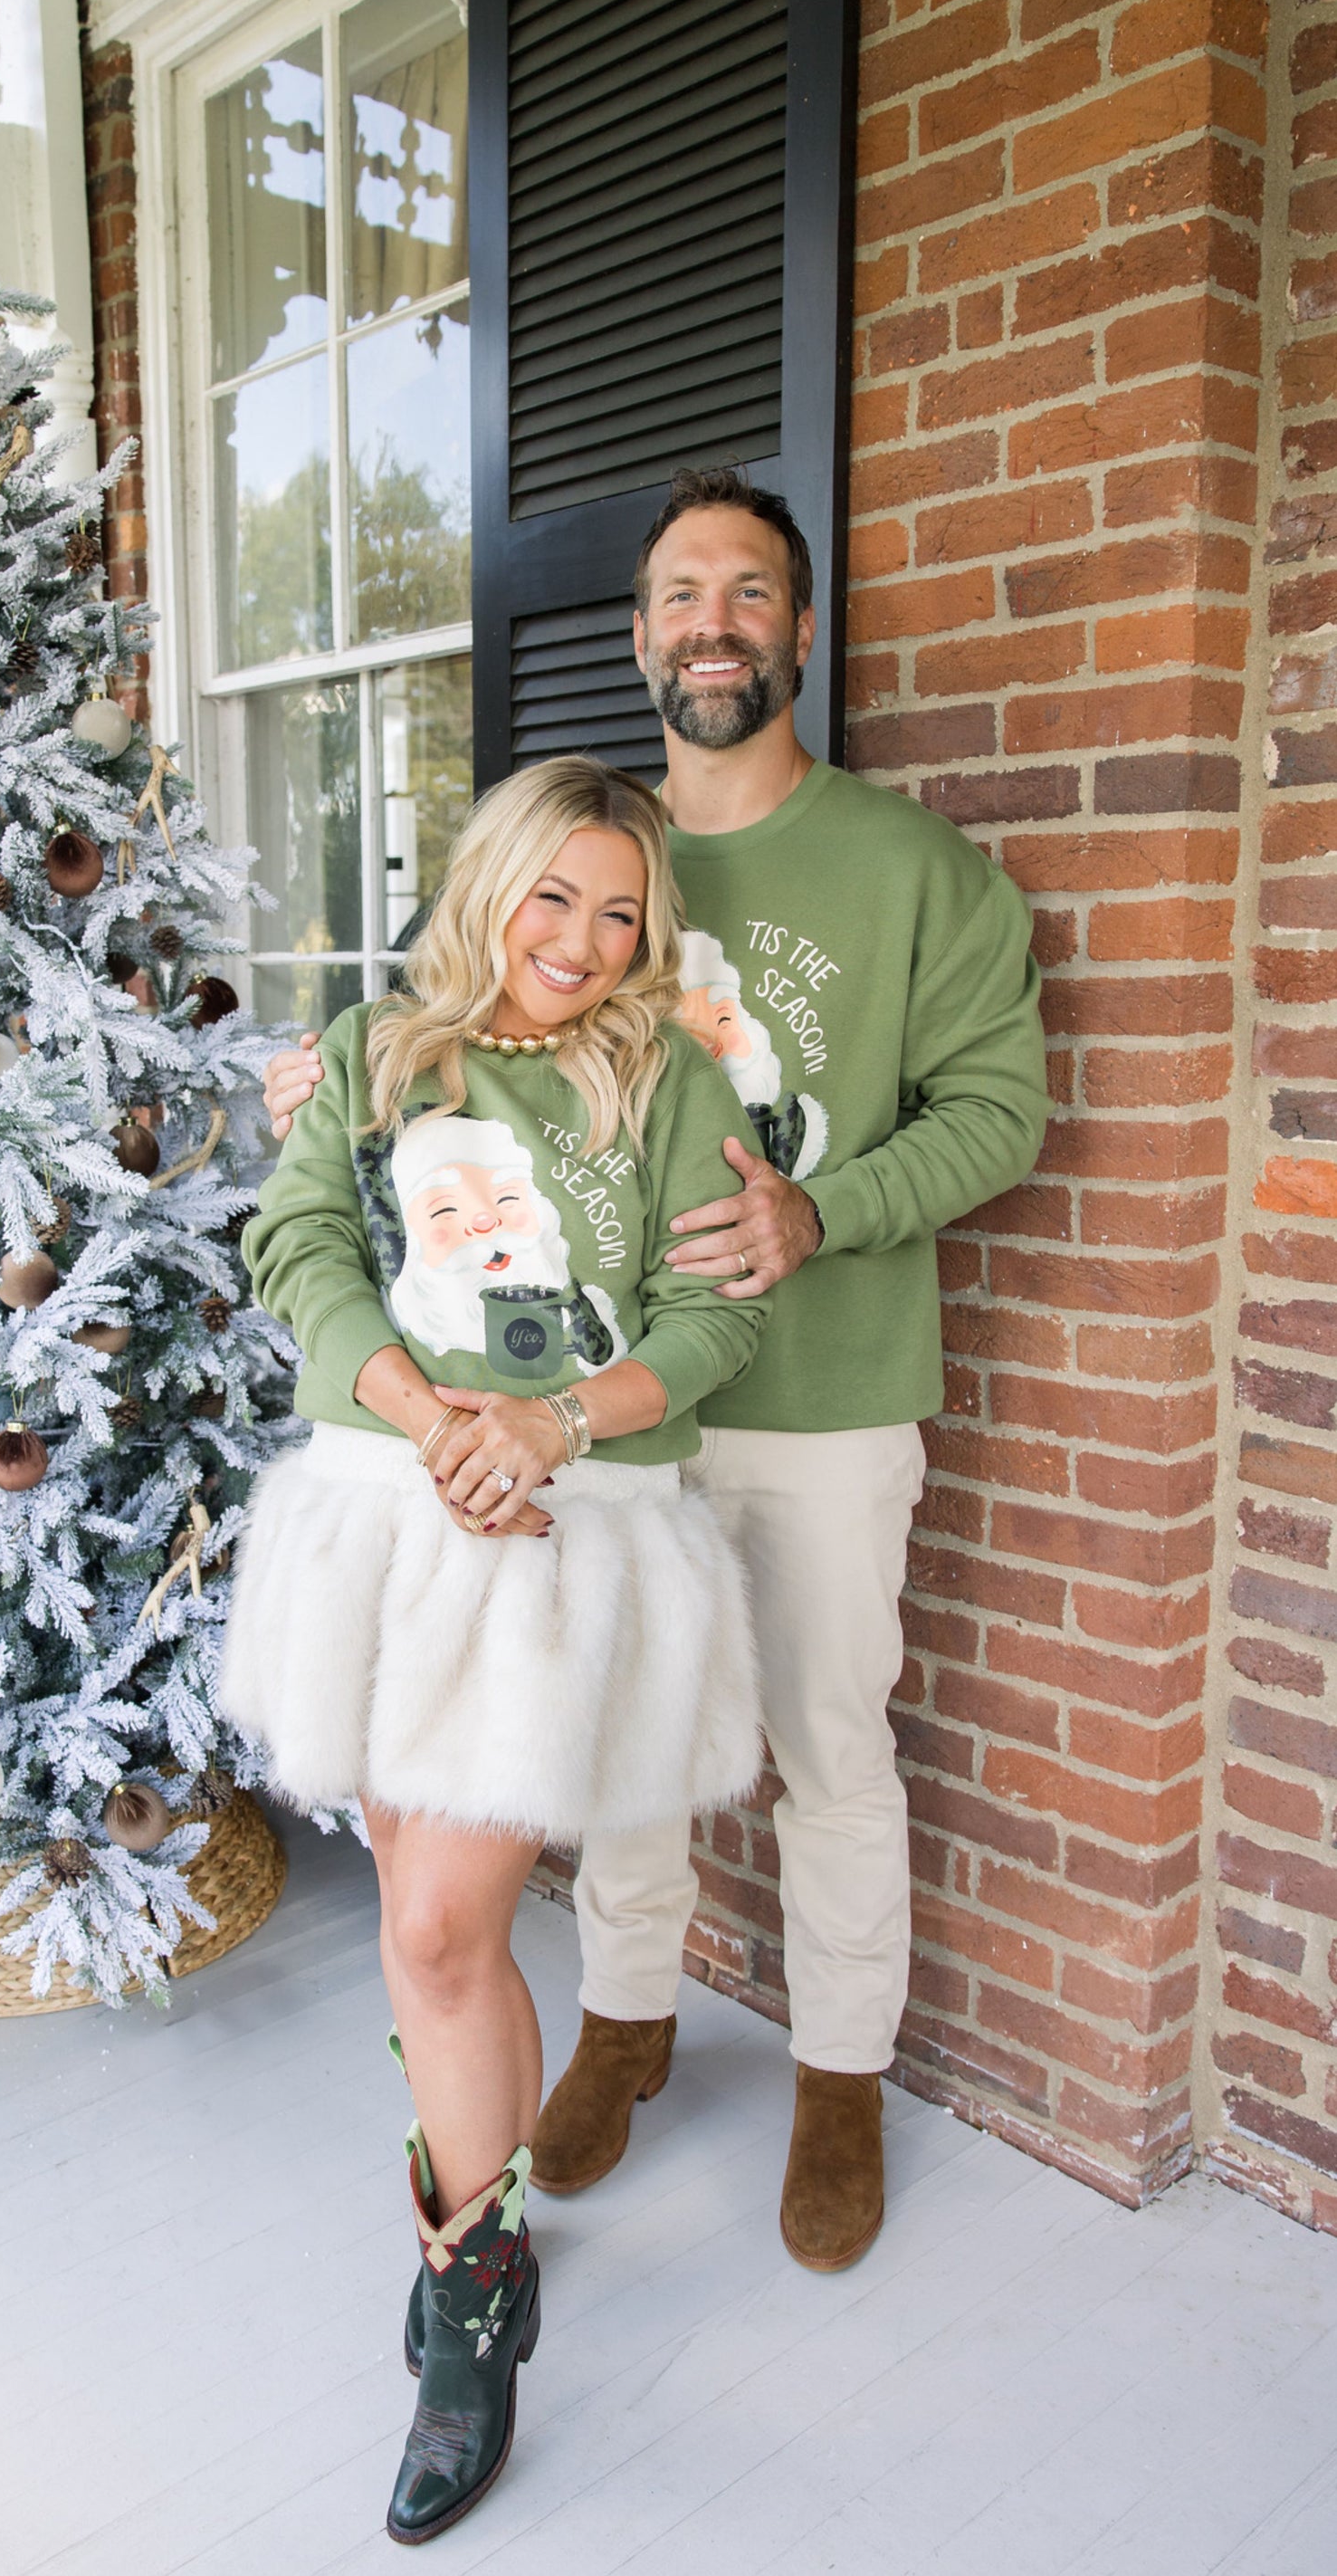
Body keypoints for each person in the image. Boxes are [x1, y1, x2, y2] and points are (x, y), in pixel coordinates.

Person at [261, 465, 1049, 2280]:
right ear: (639, 638)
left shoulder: (911, 867)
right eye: (680, 593)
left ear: (798, 627)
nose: (713, 621)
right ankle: (625, 2023)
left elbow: (1005, 1109)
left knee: (830, 1739)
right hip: (606, 1436)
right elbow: (441, 1061)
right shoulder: (591, 851)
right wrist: (321, 1080)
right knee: (610, 1757)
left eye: (749, 591)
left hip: (822, 1388)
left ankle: (839, 2072)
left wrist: (819, 1211)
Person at [223, 755, 769, 2544]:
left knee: (446, 1920)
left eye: (620, 911)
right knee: (411, 1910)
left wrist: (542, 1428)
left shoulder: (666, 1079)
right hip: (383, 1511)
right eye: (556, 895)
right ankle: (491, 2221)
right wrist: (424, 1401)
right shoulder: (384, 1057)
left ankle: (465, 2311)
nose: (583, 940)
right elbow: (296, 1240)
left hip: (559, 1531)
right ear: (492, 885)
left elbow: (707, 1321)